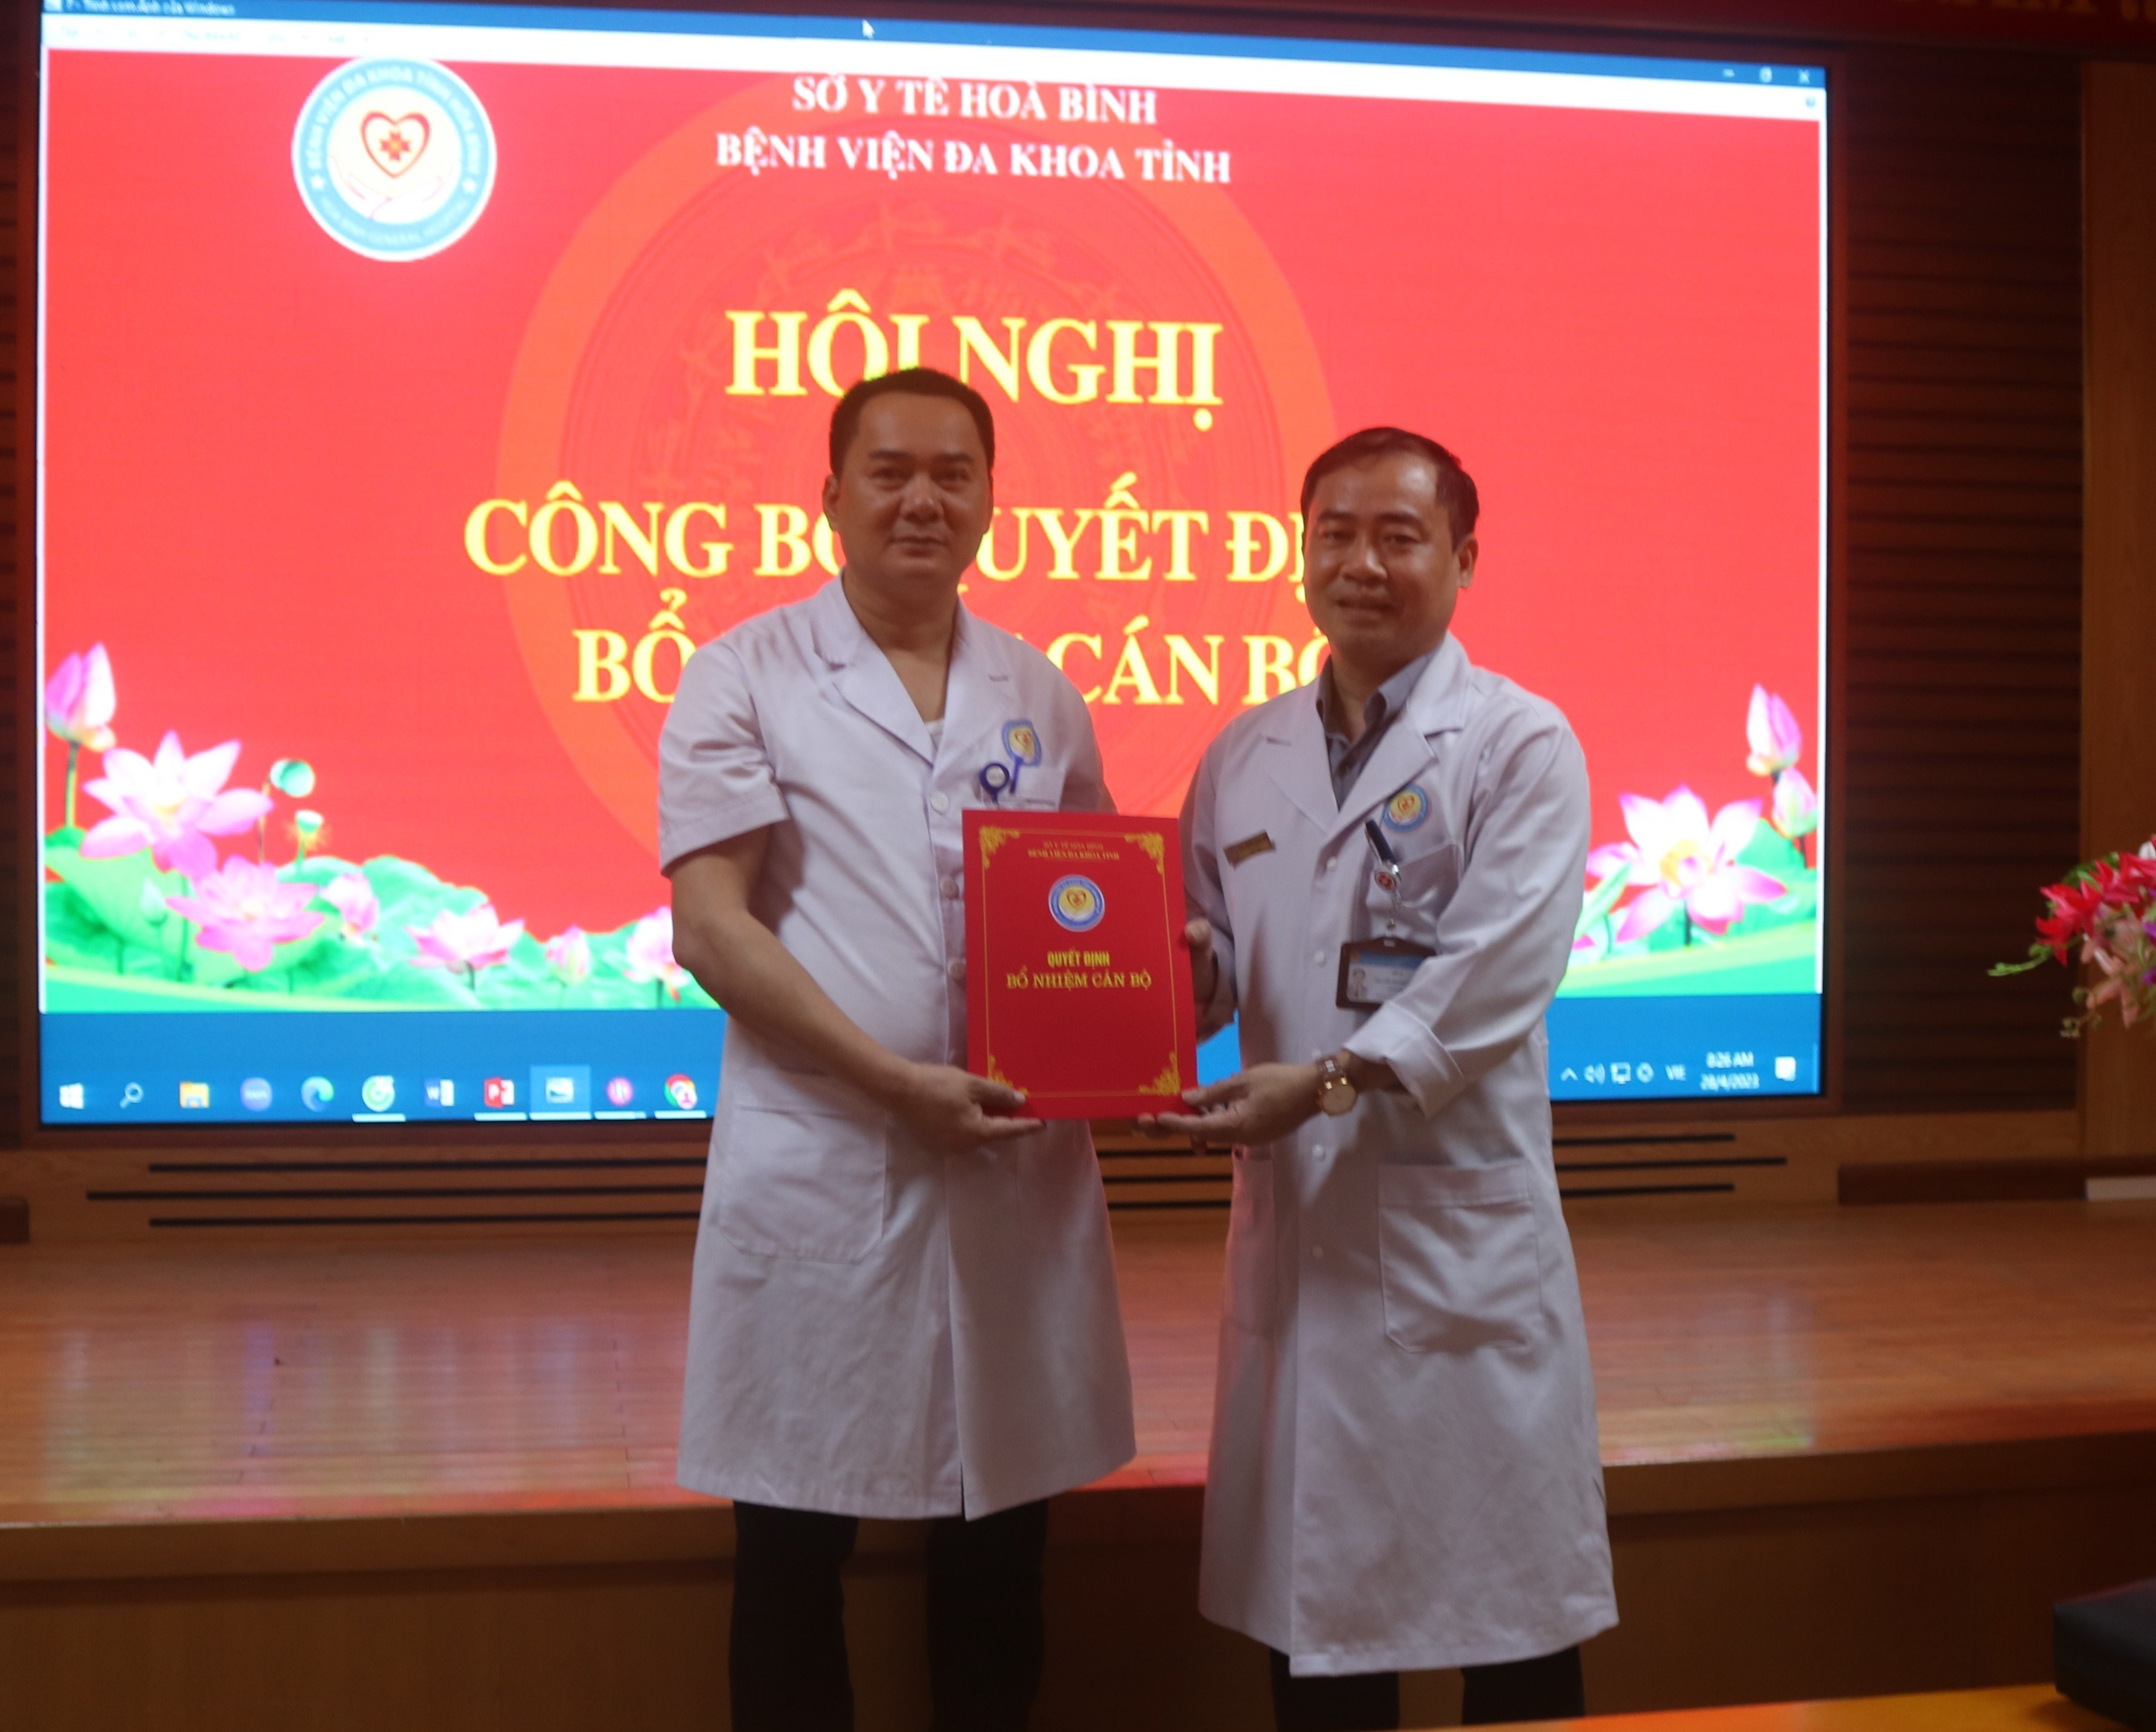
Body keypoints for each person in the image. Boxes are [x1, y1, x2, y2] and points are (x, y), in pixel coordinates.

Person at [660, 367, 1136, 1732]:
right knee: (791, 1546)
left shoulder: (1038, 689)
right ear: (831, 496)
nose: (922, 499)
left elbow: (1092, 903)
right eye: (889, 471)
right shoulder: (742, 672)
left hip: (1008, 1167)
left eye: (952, 473)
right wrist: (888, 1082)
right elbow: (711, 927)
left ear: (990, 500)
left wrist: (1154, 1003)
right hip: (827, 1158)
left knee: (1000, 1546)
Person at [1149, 427, 1617, 1728]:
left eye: (1399, 536)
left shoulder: (1518, 742)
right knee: (1322, 1623)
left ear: (1463, 559)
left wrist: (1329, 1081)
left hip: (1455, 1234)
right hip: (1304, 1233)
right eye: (1335, 534)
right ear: (1299, 554)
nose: (1362, 563)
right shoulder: (1242, 754)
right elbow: (1214, 963)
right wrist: (1161, 978)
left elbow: (1494, 973)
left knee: (1505, 1617)